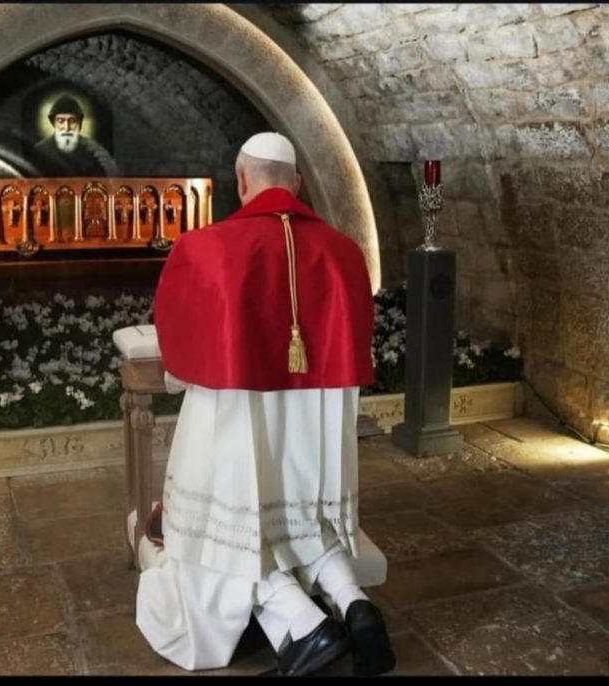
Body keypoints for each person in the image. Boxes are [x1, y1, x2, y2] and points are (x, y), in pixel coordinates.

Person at [136, 132, 396, 676]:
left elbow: (177, 348)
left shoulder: (204, 248)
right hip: (315, 425)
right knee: (302, 519)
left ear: (241, 181)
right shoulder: (345, 252)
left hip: (236, 417)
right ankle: (356, 604)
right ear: (296, 183)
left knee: (223, 525)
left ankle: (304, 624)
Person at [32, 95, 117, 177]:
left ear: (79, 123)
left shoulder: (94, 151)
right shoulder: (40, 151)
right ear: (54, 123)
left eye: (72, 121)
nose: (67, 127)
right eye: (61, 121)